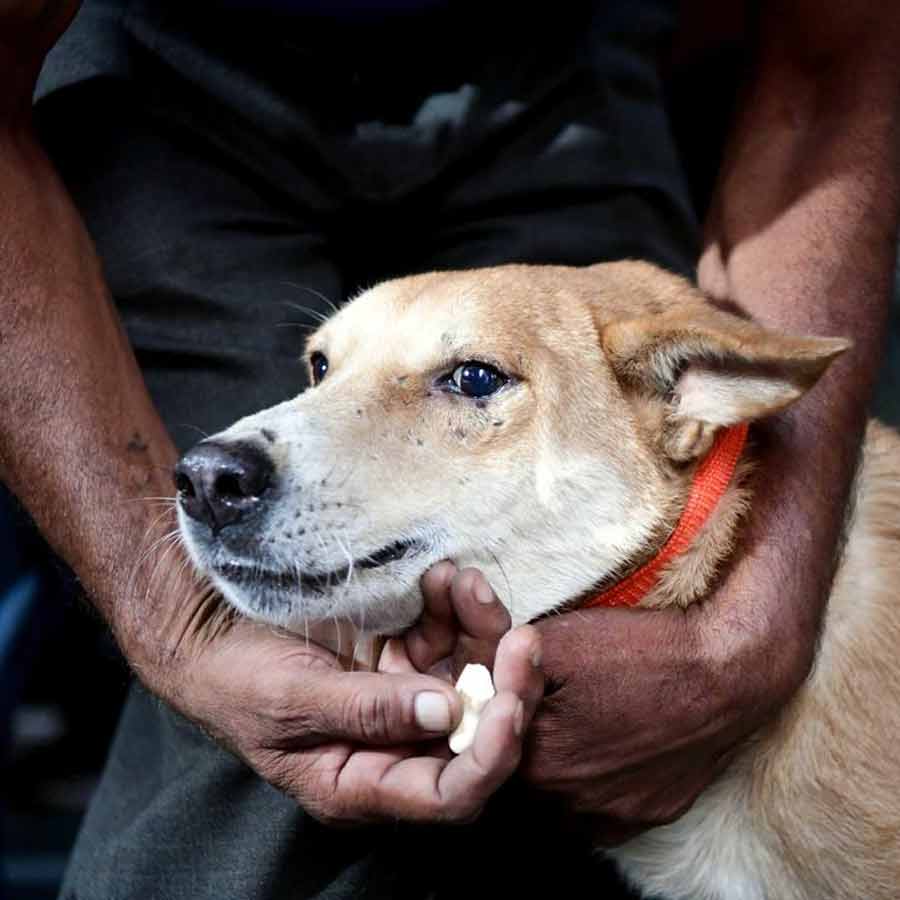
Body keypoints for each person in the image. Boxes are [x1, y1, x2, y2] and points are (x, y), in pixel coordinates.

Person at [1, 0, 898, 897]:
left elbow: (834, 57)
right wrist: (179, 630)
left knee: (624, 712)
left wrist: (756, 633)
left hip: (557, 61)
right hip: (161, 83)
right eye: (323, 367)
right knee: (287, 708)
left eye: (470, 380)